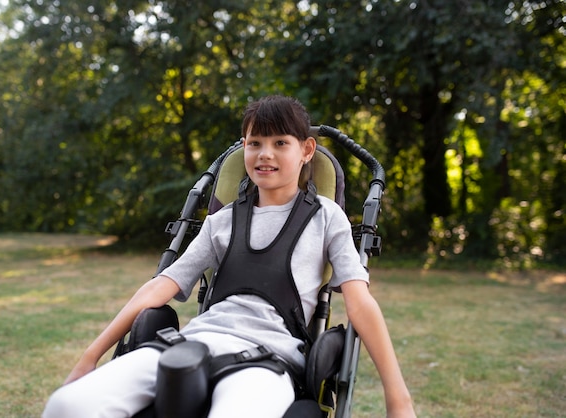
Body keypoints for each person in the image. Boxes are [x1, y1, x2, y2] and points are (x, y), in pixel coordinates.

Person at [42, 95, 416, 418]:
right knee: (67, 406)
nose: (265, 154)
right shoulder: (221, 221)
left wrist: (397, 400)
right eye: (255, 143)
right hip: (191, 345)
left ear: (306, 150)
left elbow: (360, 304)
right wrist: (90, 356)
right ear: (243, 148)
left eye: (280, 142)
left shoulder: (325, 216)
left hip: (268, 360)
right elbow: (159, 288)